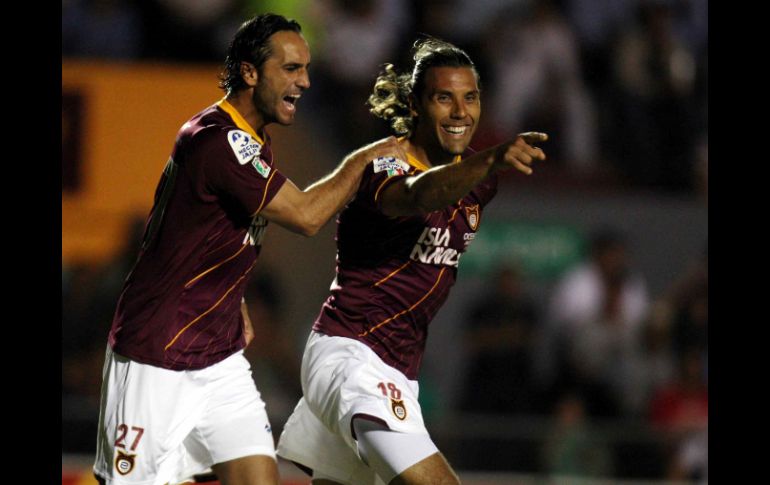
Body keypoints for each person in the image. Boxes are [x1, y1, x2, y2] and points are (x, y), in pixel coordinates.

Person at [92, 13, 403, 485]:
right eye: (292, 68)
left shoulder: (251, 139)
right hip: (156, 356)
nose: (306, 80)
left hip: (219, 358)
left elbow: (187, 227)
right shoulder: (218, 140)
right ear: (251, 71)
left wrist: (231, 295)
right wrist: (365, 158)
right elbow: (305, 215)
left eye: (306, 68)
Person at [276, 37, 547, 485]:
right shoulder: (384, 163)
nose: (461, 112)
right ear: (415, 105)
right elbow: (420, 196)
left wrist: (486, 164)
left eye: (470, 98)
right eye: (444, 98)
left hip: (398, 370)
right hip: (351, 353)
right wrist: (494, 157)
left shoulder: (479, 181)